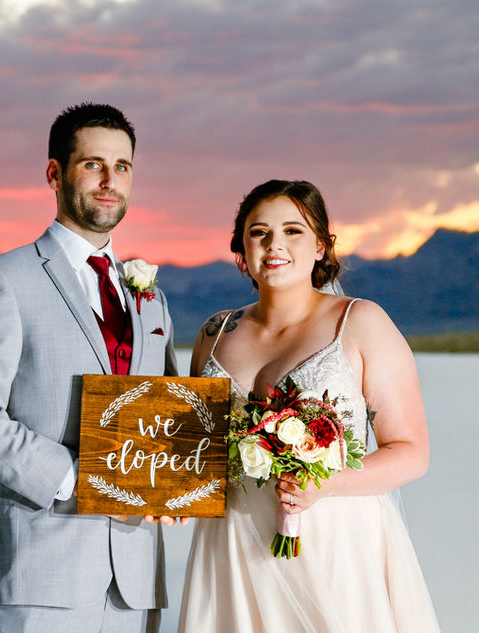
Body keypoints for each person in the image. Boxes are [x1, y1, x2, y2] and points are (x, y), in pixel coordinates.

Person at [0, 103, 180, 633]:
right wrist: (82, 477)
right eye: (93, 164)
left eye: (122, 167)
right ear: (54, 173)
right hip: (42, 570)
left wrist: (178, 483)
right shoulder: (6, 279)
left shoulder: (150, 297)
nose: (109, 181)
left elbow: (163, 418)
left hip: (136, 581)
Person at [179, 180, 440, 632]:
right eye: (258, 232)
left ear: (320, 245)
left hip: (332, 538)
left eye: (293, 231)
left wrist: (326, 484)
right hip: (233, 541)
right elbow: (196, 452)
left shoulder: (360, 322)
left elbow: (412, 451)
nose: (274, 244)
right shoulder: (214, 332)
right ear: (241, 245)